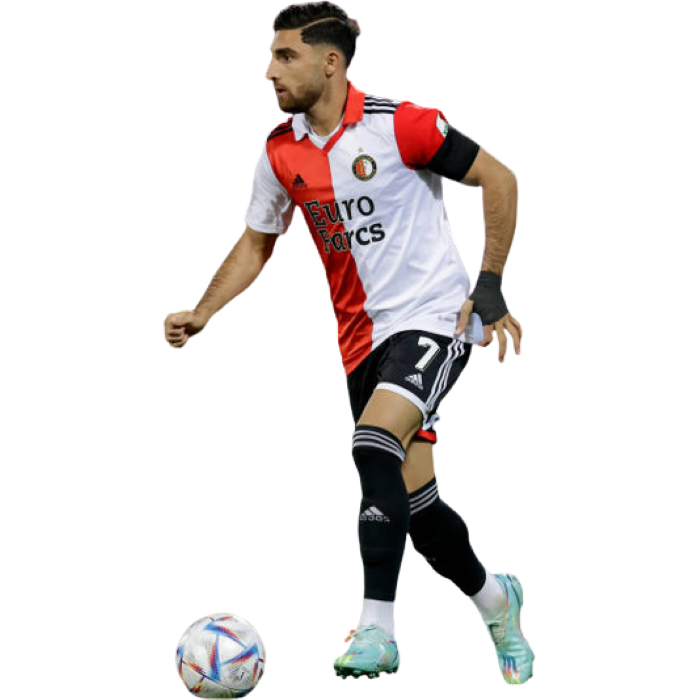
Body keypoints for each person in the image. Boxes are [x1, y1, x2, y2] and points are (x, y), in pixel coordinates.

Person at [162, 0, 533, 686]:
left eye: (286, 56)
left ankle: (377, 630)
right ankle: (496, 601)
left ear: (331, 62)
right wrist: (204, 311)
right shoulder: (281, 150)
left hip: (434, 317)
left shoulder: (403, 125)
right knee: (417, 508)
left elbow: (499, 178)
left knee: (372, 442)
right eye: (270, 56)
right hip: (360, 344)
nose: (269, 70)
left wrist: (490, 285)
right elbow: (256, 242)